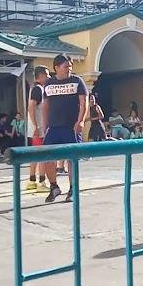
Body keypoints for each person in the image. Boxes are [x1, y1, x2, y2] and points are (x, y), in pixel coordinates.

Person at [43, 54, 88, 203]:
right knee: (46, 156)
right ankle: (54, 187)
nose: (69, 69)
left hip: (71, 127)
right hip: (54, 127)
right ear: (56, 67)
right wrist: (44, 125)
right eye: (65, 66)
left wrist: (80, 121)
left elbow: (84, 103)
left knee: (72, 159)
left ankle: (73, 189)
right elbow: (46, 105)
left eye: (70, 66)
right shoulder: (49, 83)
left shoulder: (77, 81)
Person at [27, 65, 50, 192]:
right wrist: (36, 125)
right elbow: (31, 106)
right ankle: (41, 181)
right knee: (42, 154)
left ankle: (32, 180)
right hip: (39, 128)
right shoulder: (38, 89)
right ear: (41, 76)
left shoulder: (35, 89)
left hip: (37, 127)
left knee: (35, 154)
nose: (49, 77)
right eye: (47, 74)